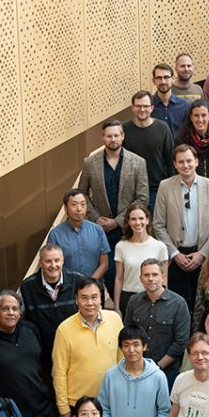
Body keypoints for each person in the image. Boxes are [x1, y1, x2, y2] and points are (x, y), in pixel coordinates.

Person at [153, 143, 209, 315]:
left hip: (204, 258)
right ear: (175, 164)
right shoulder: (165, 186)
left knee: (204, 306)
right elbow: (158, 224)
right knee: (177, 305)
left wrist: (202, 254)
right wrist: (175, 254)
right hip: (176, 257)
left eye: (189, 161)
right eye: (181, 162)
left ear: (196, 162)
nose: (186, 165)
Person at [78, 120, 149, 294]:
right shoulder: (90, 163)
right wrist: (95, 218)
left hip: (129, 229)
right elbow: (81, 195)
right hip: (101, 231)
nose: (113, 139)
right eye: (109, 136)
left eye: (116, 135)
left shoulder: (138, 162)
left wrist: (117, 221)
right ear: (103, 137)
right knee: (109, 276)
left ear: (123, 136)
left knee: (131, 275)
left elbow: (142, 198)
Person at [52, 277, 123, 417]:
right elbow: (59, 371)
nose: (89, 303)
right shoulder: (64, 330)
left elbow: (122, 361)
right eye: (84, 298)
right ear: (76, 300)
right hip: (78, 405)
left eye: (94, 297)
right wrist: (63, 408)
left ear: (101, 299)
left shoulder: (115, 320)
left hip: (110, 402)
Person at [98, 325, 171, 417]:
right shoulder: (110, 376)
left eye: (136, 345)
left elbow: (164, 410)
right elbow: (103, 408)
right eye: (126, 345)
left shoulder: (158, 377)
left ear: (144, 346)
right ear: (120, 348)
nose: (131, 350)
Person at [123, 259, 191, 387]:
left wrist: (158, 366)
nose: (150, 279)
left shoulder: (178, 304)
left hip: (167, 372)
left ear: (163, 277)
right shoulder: (134, 302)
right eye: (146, 275)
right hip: (137, 370)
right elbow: (128, 334)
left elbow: (181, 341)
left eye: (155, 274)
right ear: (141, 278)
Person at [19, 245, 86, 372]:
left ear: (63, 261)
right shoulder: (26, 288)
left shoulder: (79, 281)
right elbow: (20, 320)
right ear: (41, 262)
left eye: (56, 260)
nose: (53, 265)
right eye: (48, 261)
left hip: (76, 353)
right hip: (44, 357)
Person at [113, 202, 168, 318]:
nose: (138, 223)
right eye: (133, 219)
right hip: (128, 297)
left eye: (141, 218)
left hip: (153, 296)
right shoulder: (121, 246)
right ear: (128, 222)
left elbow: (164, 279)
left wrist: (164, 303)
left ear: (148, 220)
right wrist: (116, 307)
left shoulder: (160, 247)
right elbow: (119, 278)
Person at [122, 90, 175, 212]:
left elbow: (170, 160)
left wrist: (171, 188)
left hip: (156, 189)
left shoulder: (162, 128)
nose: (142, 109)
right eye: (138, 106)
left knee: (156, 227)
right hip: (131, 190)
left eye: (145, 106)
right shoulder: (124, 129)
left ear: (152, 108)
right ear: (132, 108)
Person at [47, 188, 109, 280]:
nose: (79, 209)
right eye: (74, 204)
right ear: (65, 208)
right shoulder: (55, 234)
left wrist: (90, 283)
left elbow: (104, 264)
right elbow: (53, 266)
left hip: (94, 287)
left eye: (83, 204)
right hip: (67, 288)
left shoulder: (98, 230)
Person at [176, 98, 209, 194]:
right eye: (196, 116)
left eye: (204, 115)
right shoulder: (182, 140)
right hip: (188, 193)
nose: (200, 119)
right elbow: (176, 170)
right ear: (191, 117)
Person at [151, 62, 190, 137]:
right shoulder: (148, 106)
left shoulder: (185, 105)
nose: (163, 81)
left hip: (178, 148)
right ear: (154, 81)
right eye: (159, 78)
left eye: (166, 77)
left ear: (173, 79)